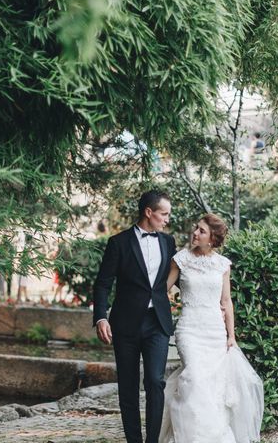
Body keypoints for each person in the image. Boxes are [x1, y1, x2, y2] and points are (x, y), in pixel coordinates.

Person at [160, 214, 263, 443]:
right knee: (195, 379)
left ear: (213, 239)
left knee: (212, 387)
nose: (195, 233)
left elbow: (226, 302)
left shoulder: (222, 265)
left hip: (215, 332)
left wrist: (231, 337)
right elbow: (163, 290)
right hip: (189, 329)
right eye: (196, 228)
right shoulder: (181, 259)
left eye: (202, 231)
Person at [93, 190, 177, 443]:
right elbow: (102, 284)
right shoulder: (118, 243)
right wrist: (100, 317)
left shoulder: (168, 242)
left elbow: (178, 279)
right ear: (148, 212)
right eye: (164, 214)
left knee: (155, 382)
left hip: (157, 322)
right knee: (128, 387)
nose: (167, 219)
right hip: (125, 324)